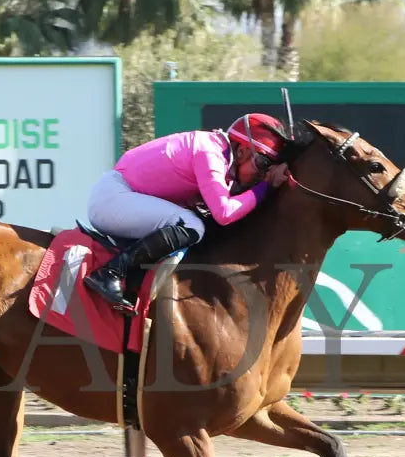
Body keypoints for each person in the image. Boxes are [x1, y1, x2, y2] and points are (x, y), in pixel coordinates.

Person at [83, 113, 293, 313]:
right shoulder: (209, 153)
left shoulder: (220, 154)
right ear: (241, 151)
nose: (263, 174)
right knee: (192, 226)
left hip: (122, 196)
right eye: (263, 164)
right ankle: (110, 272)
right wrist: (266, 186)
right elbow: (224, 212)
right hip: (113, 199)